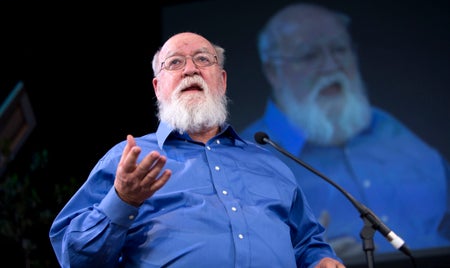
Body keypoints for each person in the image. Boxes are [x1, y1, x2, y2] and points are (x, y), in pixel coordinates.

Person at [49, 32, 345, 268]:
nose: (190, 69)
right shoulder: (128, 160)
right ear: (157, 86)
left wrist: (321, 260)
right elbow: (74, 258)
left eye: (203, 59)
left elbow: (308, 244)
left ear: (222, 80)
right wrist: (122, 200)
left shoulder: (269, 162)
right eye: (175, 63)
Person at [239, 3, 450, 258]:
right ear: (273, 71)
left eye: (339, 50)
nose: (331, 66)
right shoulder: (246, 157)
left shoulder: (393, 129)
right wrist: (301, 259)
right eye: (309, 55)